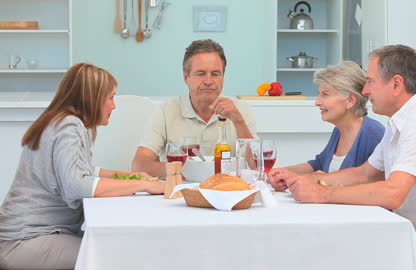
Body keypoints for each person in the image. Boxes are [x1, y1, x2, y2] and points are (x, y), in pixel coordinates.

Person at [269, 45, 416, 269]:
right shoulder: (399, 123)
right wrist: (305, 181)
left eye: (370, 82)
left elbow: (393, 193)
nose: (366, 91)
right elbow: (365, 174)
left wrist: (322, 192)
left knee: (349, 259)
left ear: (396, 84)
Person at [0, 63, 165, 270]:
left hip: (27, 236)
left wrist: (134, 177)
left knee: (114, 248)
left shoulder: (63, 121)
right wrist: (143, 186)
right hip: (24, 241)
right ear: (92, 98)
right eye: (110, 97)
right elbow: (76, 185)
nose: (114, 106)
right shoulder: (68, 126)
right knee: (112, 256)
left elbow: (86, 171)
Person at [132, 39, 256, 177]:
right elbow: (139, 165)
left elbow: (256, 167)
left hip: (228, 191)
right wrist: (186, 170)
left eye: (215, 74)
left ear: (223, 77)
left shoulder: (240, 110)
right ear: (186, 77)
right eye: (201, 74)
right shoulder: (166, 110)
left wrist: (238, 121)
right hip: (180, 193)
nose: (208, 81)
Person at [268, 61, 384, 190]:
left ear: (350, 100)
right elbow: (319, 164)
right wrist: (281, 172)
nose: (317, 102)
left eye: (325, 94)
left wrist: (314, 179)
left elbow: (372, 183)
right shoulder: (339, 131)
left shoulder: (373, 133)